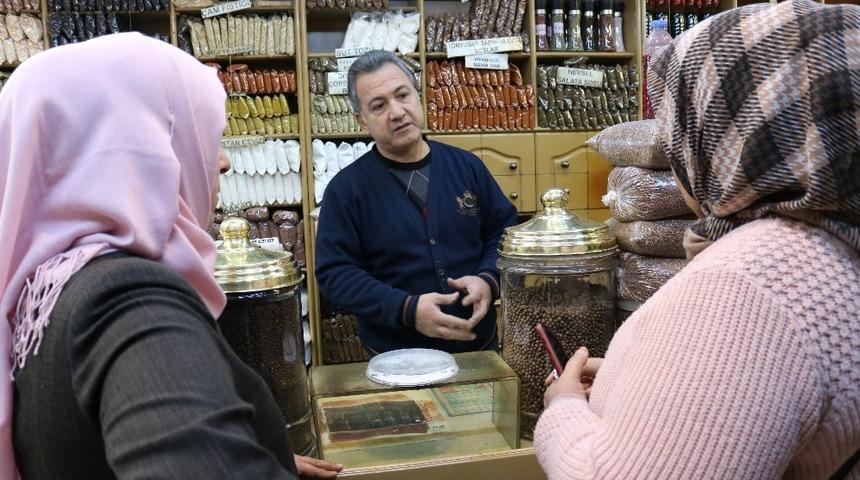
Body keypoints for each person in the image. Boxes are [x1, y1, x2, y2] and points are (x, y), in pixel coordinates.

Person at [535, 1, 860, 478]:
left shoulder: (746, 285)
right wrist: (650, 385)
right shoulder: (838, 241)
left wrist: (562, 410)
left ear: (716, 132)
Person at [0, 33, 342, 479]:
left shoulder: (41, 287)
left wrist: (247, 449)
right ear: (137, 146)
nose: (221, 162)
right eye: (202, 137)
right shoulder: (128, 299)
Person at [314, 50, 518, 356]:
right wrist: (407, 309)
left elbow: (503, 231)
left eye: (402, 95)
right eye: (378, 106)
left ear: (418, 96)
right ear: (361, 120)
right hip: (395, 356)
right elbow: (336, 273)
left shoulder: (466, 167)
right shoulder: (346, 190)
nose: (396, 112)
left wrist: (489, 280)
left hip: (479, 349)